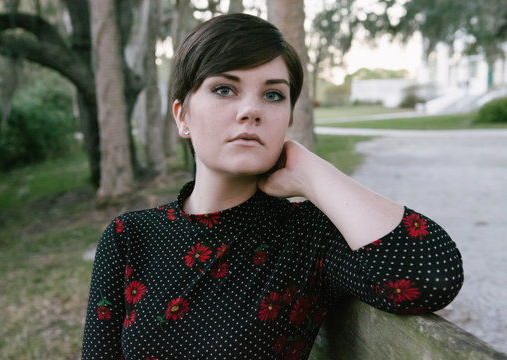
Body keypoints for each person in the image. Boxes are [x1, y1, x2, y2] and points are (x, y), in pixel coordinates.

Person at [81, 13, 463, 360]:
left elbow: (432, 277)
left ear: (288, 117)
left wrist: (311, 172)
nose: (252, 110)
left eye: (273, 95)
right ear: (183, 116)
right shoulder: (130, 237)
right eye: (224, 89)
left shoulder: (307, 236)